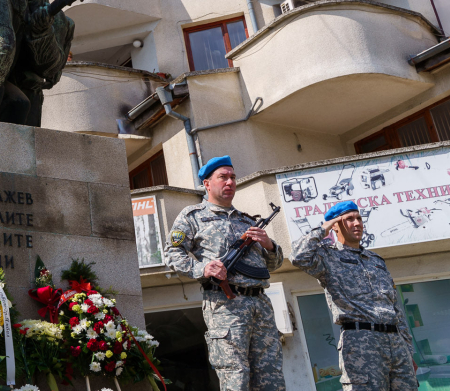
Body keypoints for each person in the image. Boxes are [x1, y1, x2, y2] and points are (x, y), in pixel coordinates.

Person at [165, 156, 285, 391]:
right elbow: (172, 254)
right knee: (235, 375)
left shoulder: (247, 221)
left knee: (270, 374)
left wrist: (269, 245)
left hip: (260, 303)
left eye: (232, 177)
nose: (230, 182)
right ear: (207, 184)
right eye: (223, 177)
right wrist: (203, 268)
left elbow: (272, 264)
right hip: (225, 304)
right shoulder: (193, 216)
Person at [290, 201, 416, 390]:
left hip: (396, 343)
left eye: (358, 218)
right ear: (336, 226)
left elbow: (395, 308)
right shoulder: (328, 257)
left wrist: (408, 351)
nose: (357, 223)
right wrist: (324, 228)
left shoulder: (376, 261)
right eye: (349, 219)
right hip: (361, 342)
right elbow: (298, 256)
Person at [0, 0, 75, 126]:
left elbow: (52, 71)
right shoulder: (6, 3)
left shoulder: (64, 22)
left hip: (30, 95)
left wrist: (42, 32)